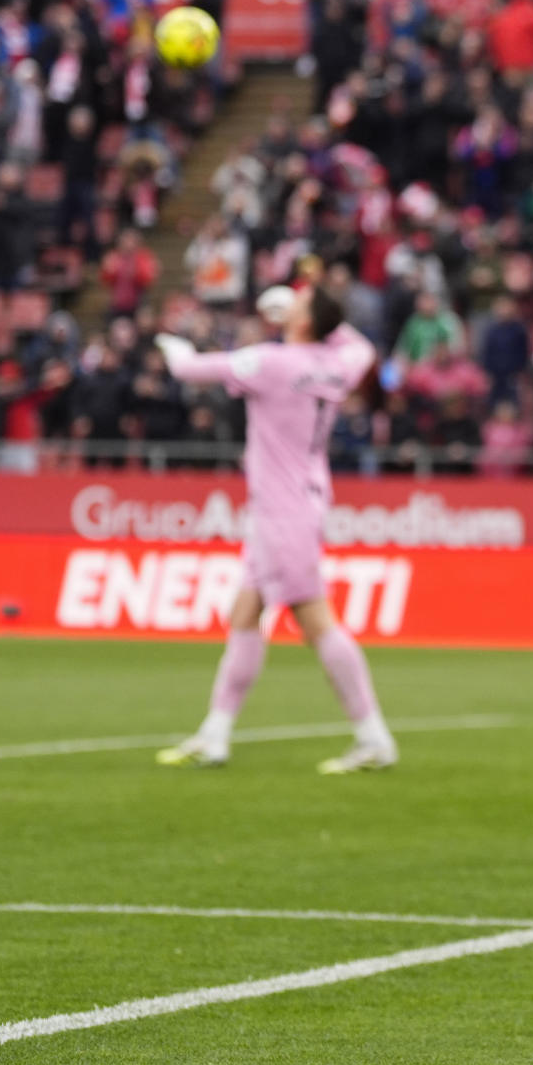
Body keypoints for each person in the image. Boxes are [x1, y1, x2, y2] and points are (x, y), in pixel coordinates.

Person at [151, 284, 397, 775]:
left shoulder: (271, 362)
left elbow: (189, 370)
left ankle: (373, 738)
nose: (291, 305)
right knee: (244, 613)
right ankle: (215, 734)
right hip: (294, 503)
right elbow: (361, 347)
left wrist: (171, 344)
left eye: (301, 304)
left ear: (304, 321)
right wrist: (324, 321)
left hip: (282, 511)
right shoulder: (337, 362)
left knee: (314, 619)